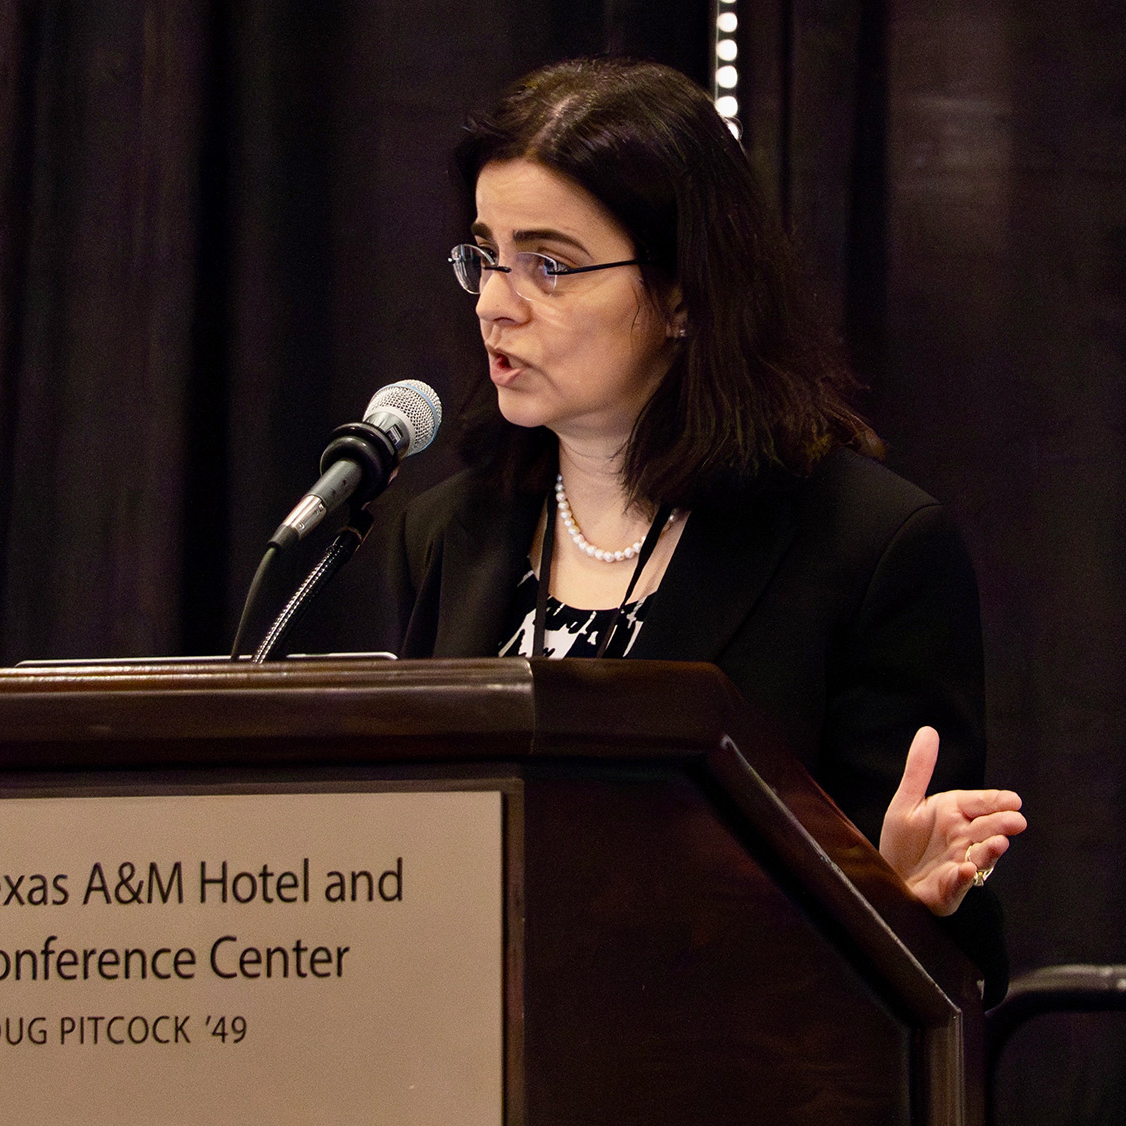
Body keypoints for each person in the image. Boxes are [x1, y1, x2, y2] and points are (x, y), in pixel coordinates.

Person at [383, 57, 1026, 999]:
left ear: (683, 294)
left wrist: (896, 898)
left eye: (549, 265)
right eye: (485, 254)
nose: (495, 302)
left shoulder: (867, 547)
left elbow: (958, 968)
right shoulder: (447, 534)